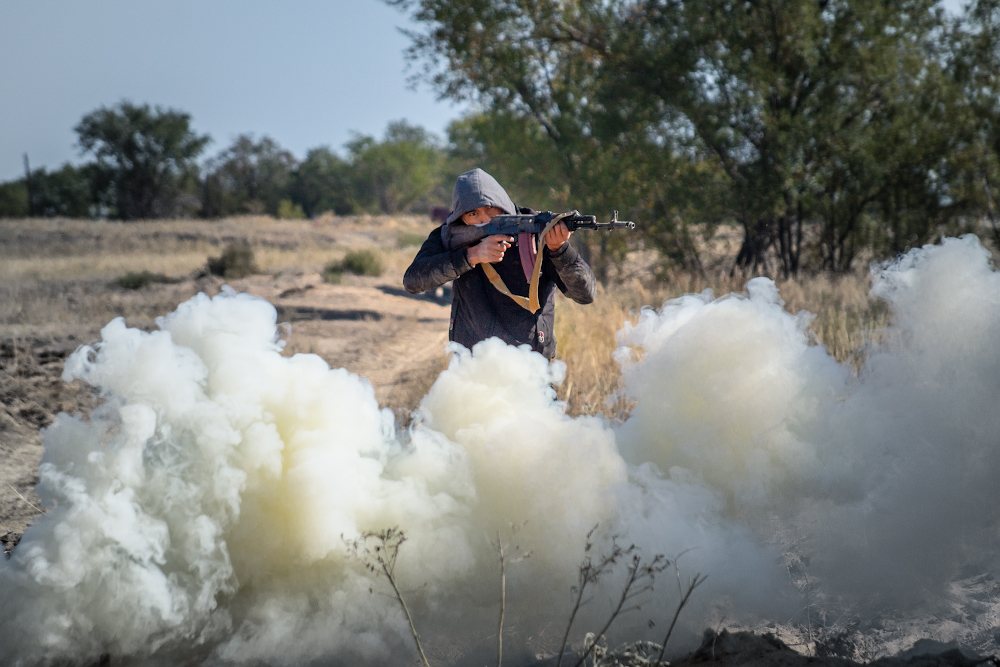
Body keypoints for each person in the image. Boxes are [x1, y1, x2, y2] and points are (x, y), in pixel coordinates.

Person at [404, 168, 596, 359]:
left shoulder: (537, 230)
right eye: (473, 214)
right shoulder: (451, 235)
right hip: (473, 366)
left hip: (532, 364)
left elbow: (585, 294)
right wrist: (470, 256)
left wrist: (559, 250)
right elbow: (413, 281)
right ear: (460, 217)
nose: (485, 220)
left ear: (502, 204)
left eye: (490, 210)